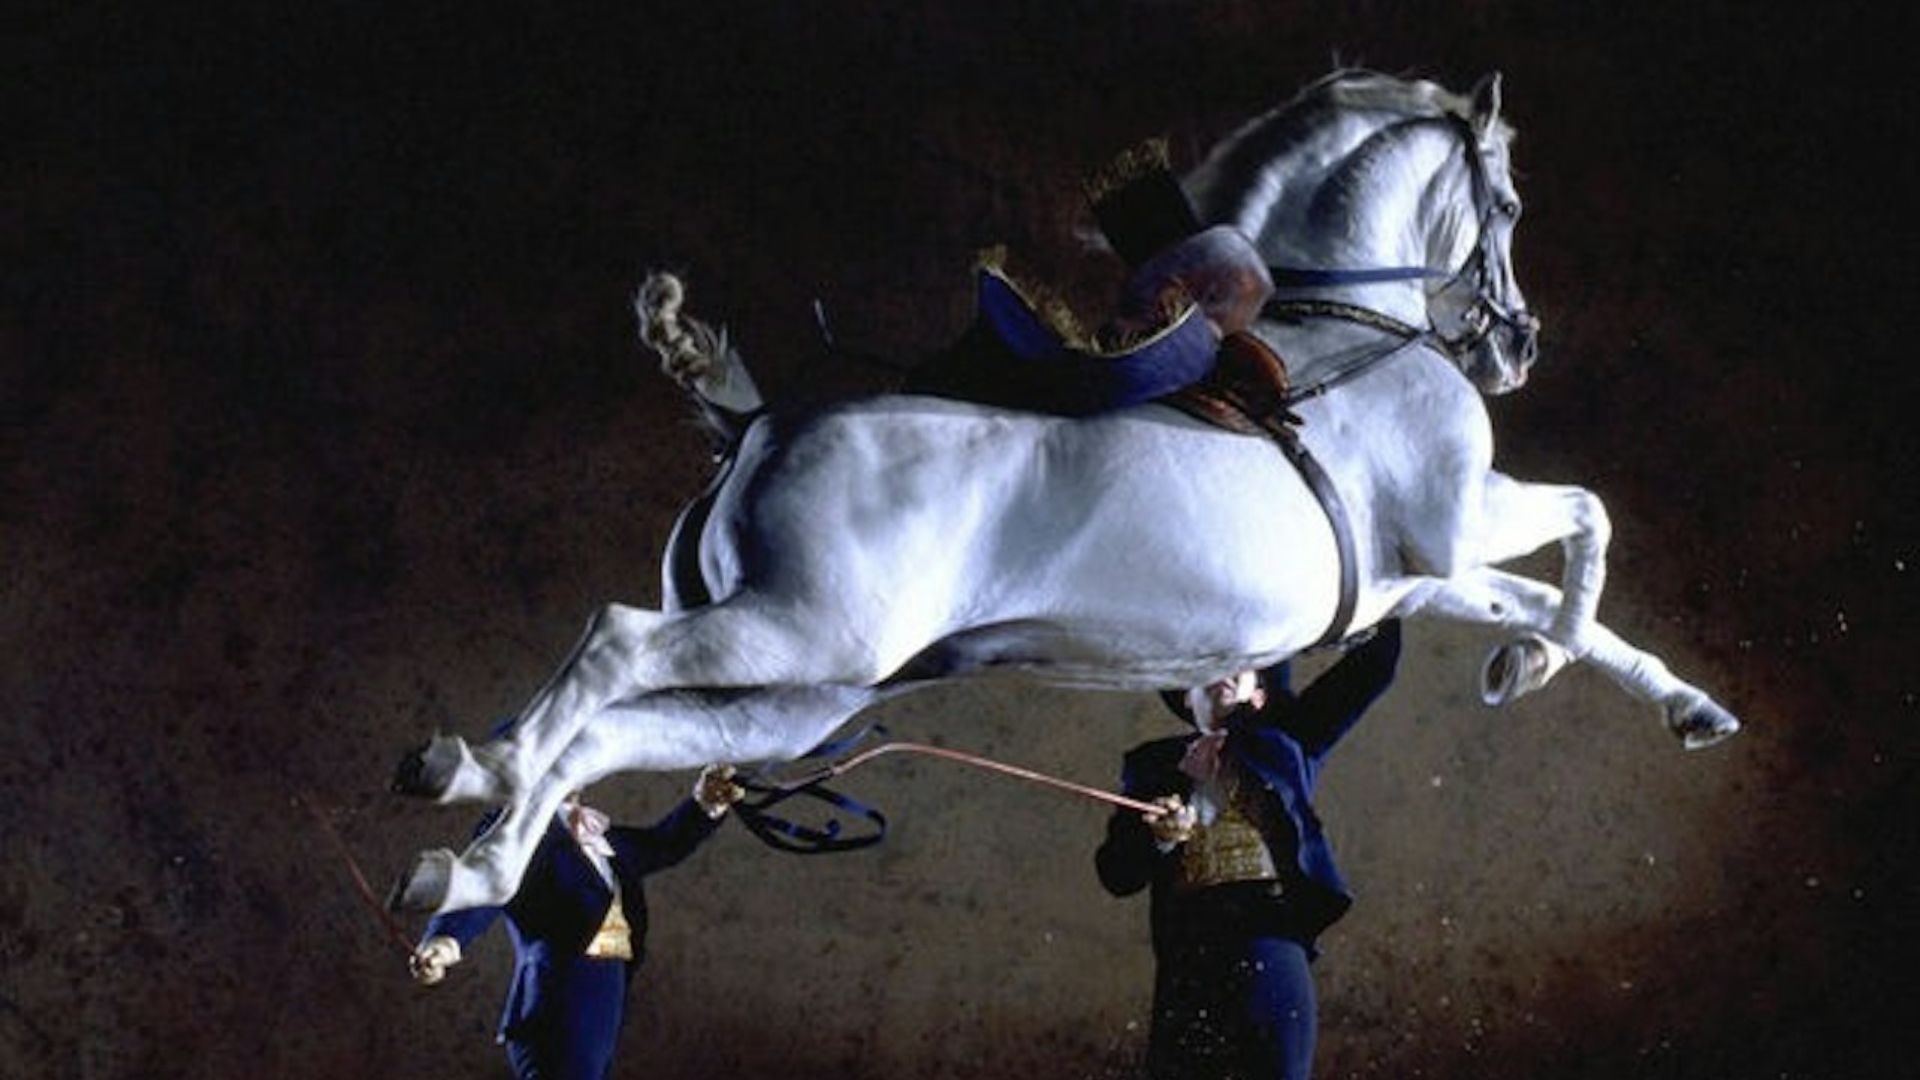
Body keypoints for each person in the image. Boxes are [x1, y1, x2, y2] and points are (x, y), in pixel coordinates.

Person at [1096, 620, 1402, 1080]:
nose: (1225, 671)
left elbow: (1372, 666)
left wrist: (1379, 603)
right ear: (1186, 696)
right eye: (1208, 668)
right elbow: (1116, 875)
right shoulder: (1153, 767)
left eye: (1241, 667)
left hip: (1269, 938)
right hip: (1189, 957)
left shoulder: (1286, 745)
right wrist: (1156, 837)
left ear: (1258, 694)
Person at [410, 764, 745, 1080]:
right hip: (554, 1004)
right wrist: (446, 940)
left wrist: (704, 804)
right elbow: (483, 883)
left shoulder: (599, 836)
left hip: (602, 1005)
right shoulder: (514, 831)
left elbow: (661, 845)